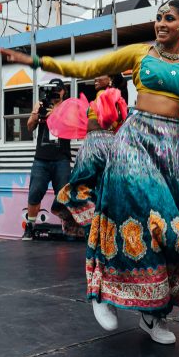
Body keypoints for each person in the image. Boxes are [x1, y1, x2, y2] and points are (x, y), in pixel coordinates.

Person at [1, 0, 179, 345]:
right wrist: (36, 60)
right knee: (130, 217)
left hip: (172, 148)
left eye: (170, 18)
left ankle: (153, 315)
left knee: (174, 232)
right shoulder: (139, 54)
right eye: (158, 18)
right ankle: (104, 292)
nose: (162, 23)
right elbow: (87, 67)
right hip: (135, 140)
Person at [52, 72, 129, 237]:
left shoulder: (106, 94)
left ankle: (95, 225)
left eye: (100, 75)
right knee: (102, 187)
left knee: (74, 189)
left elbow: (106, 121)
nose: (95, 78)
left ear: (110, 79)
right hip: (107, 143)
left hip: (96, 144)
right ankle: (106, 227)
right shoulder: (113, 96)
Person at [22, 78, 71, 240]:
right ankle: (30, 226)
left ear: (64, 91)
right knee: (35, 192)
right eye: (52, 90)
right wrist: (37, 112)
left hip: (61, 157)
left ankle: (68, 227)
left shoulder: (68, 106)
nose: (55, 93)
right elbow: (29, 127)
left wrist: (56, 114)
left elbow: (74, 126)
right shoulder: (42, 104)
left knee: (63, 195)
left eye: (58, 90)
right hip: (41, 158)